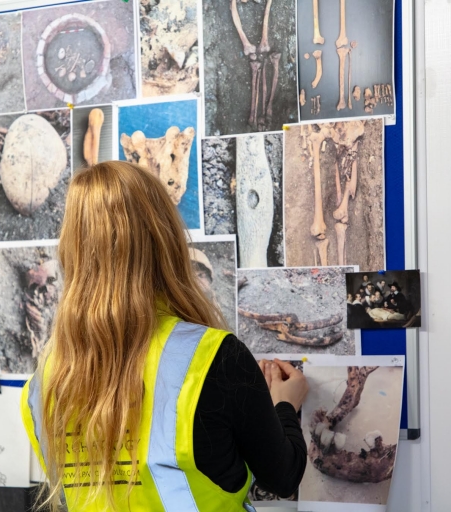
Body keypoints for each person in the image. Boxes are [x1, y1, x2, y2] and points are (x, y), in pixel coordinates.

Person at [20, 161, 308, 511]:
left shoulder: (44, 385)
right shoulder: (214, 357)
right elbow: (282, 475)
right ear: (165, 240)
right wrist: (285, 405)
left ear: (73, 252)